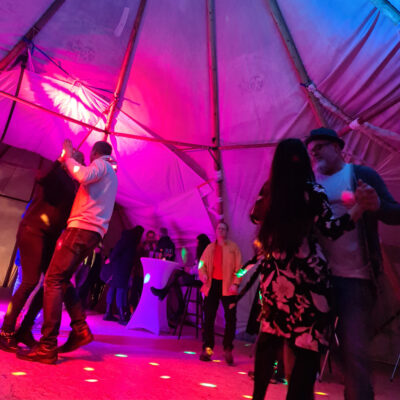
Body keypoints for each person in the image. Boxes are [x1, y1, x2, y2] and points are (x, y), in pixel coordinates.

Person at [251, 138, 368, 400]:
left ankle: (258, 396)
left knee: (269, 336)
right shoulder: (313, 191)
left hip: (275, 277)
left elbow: (254, 216)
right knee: (307, 345)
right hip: (308, 278)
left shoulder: (270, 190)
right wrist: (358, 207)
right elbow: (332, 229)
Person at [305, 127, 400, 400]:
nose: (315, 151)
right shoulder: (309, 183)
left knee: (355, 352)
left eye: (321, 146)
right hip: (318, 280)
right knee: (315, 348)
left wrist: (377, 205)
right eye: (311, 148)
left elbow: (394, 214)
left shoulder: (360, 176)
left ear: (338, 147)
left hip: (355, 279)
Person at [17, 139, 118, 364]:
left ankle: (47, 346)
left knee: (52, 280)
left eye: (86, 158)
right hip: (91, 233)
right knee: (61, 280)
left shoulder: (101, 164)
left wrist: (69, 157)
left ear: (94, 153)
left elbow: (83, 175)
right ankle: (80, 328)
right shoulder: (112, 176)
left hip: (81, 230)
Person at [0, 151, 83, 352]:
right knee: (29, 281)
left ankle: (24, 330)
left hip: (48, 237)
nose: (79, 169)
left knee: (52, 281)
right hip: (33, 231)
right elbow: (42, 178)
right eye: (77, 165)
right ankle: (6, 332)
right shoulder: (57, 175)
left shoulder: (73, 185)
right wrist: (60, 160)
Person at [198, 222, 242, 365]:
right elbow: (201, 264)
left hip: (228, 286)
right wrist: (203, 275)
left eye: (223, 228)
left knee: (231, 318)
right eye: (219, 228)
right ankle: (208, 348)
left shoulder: (233, 248)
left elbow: (240, 268)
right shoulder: (209, 248)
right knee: (209, 317)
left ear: (227, 231)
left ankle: (228, 348)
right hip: (212, 285)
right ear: (216, 231)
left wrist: (236, 283)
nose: (221, 230)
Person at [103, 226, 144, 324]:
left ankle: (108, 313)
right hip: (122, 268)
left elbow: (117, 249)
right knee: (121, 289)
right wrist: (111, 259)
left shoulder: (127, 238)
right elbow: (118, 249)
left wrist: (111, 259)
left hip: (118, 267)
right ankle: (121, 316)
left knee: (113, 288)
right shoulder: (129, 239)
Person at [150, 233, 211, 300]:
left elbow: (200, 269)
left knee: (176, 280)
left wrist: (190, 270)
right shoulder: (202, 253)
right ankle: (164, 293)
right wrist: (189, 268)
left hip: (200, 279)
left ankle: (165, 293)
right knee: (176, 272)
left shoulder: (207, 254)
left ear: (202, 244)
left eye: (198, 243)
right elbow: (197, 266)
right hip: (195, 276)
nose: (197, 245)